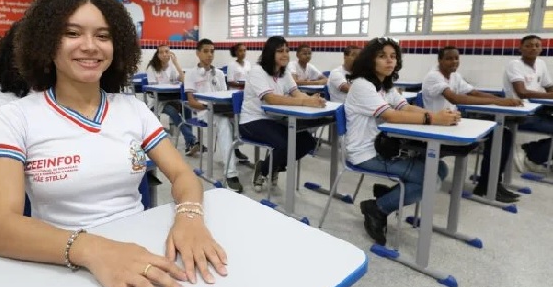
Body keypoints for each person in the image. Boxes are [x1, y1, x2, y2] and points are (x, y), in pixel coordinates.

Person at [0, 0, 227, 287]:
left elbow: (181, 173)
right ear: (47, 43)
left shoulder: (132, 108)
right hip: (59, 259)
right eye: (72, 33)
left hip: (143, 246)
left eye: (103, 36)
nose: (90, 46)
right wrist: (97, 250)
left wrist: (190, 217)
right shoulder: (15, 117)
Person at [345, 37, 457, 246]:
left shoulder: (385, 86)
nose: (390, 61)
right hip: (365, 154)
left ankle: (389, 197)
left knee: (440, 168)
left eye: (393, 56)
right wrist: (433, 119)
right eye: (382, 56)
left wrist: (440, 116)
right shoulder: (362, 85)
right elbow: (391, 115)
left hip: (382, 149)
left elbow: (404, 107)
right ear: (370, 60)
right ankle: (377, 208)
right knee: (430, 179)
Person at [422, 46, 521, 202]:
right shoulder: (434, 76)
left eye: (456, 58)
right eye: (448, 58)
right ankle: (487, 186)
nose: (454, 61)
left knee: (503, 133)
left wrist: (500, 100)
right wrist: (498, 101)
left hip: (452, 124)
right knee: (498, 135)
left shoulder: (455, 76)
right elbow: (455, 98)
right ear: (439, 60)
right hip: (437, 128)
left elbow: (473, 92)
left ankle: (491, 184)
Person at [239, 36, 325, 192]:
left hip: (275, 120)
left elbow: (296, 93)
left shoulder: (284, 73)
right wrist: (305, 102)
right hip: (252, 121)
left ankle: (271, 167)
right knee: (284, 144)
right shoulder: (257, 71)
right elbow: (270, 99)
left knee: (308, 142)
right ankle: (264, 170)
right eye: (280, 51)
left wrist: (313, 100)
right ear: (269, 53)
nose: (285, 54)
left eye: (287, 50)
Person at [184, 39, 242, 193]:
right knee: (224, 122)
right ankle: (230, 174)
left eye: (212, 51)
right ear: (198, 53)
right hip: (204, 111)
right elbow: (191, 101)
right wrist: (208, 106)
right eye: (206, 51)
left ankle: (234, 152)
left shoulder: (220, 74)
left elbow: (226, 95)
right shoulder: (190, 74)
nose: (210, 55)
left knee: (240, 118)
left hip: (221, 108)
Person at [503, 35, 553, 171]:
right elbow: (522, 92)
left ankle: (533, 152)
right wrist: (549, 95)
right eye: (529, 45)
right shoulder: (515, 65)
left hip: (538, 110)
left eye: (537, 45)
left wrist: (550, 93)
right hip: (520, 113)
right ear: (520, 48)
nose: (533, 48)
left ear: (541, 49)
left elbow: (549, 86)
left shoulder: (541, 64)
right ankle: (532, 154)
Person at [146, 44, 200, 156]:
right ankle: (192, 140)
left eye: (167, 52)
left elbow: (185, 81)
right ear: (158, 54)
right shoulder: (152, 68)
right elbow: (152, 89)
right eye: (161, 52)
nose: (165, 54)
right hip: (158, 101)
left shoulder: (172, 67)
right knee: (173, 112)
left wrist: (176, 63)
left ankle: (188, 144)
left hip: (172, 99)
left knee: (187, 108)